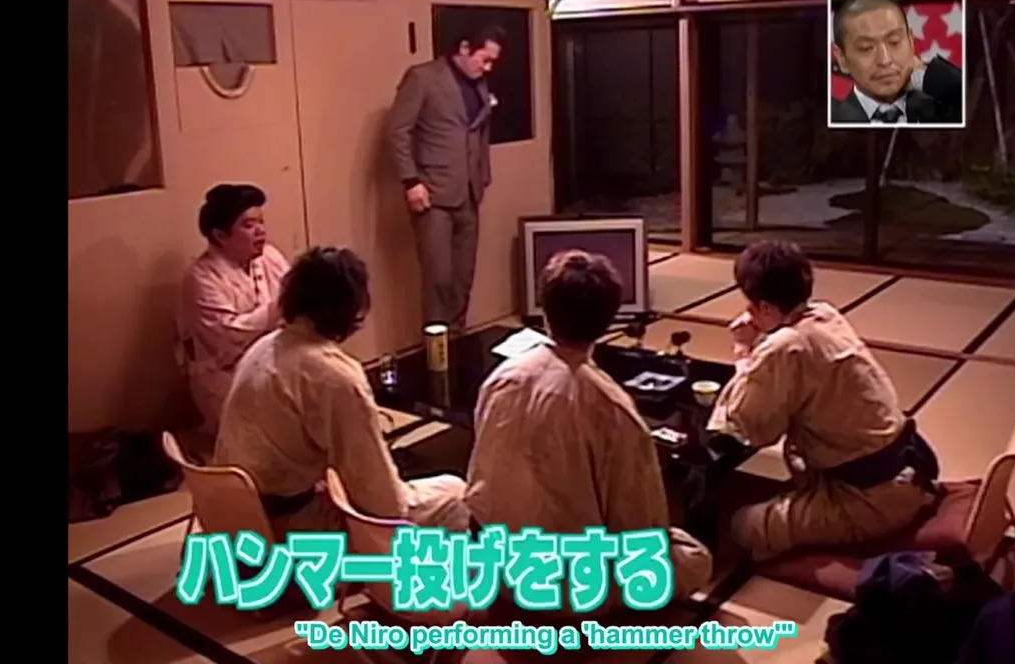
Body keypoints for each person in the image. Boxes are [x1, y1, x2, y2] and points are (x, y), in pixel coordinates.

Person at [465, 250, 713, 613]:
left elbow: (481, 473)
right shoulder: (611, 407)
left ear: (545, 309)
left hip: (492, 562)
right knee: (694, 558)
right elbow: (639, 530)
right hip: (569, 587)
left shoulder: (503, 376)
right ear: (608, 320)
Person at [213, 246, 469, 537]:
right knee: (456, 493)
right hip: (292, 526)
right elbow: (383, 502)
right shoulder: (335, 375)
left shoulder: (262, 347)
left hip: (235, 515)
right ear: (351, 307)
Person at [709, 240, 938, 562]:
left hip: (871, 499)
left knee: (740, 525)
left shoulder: (785, 347)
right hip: (907, 468)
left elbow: (749, 427)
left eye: (752, 306)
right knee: (794, 457)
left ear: (767, 308)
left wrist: (745, 349)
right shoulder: (825, 314)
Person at [386, 25, 505, 331]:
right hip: (433, 193)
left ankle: (458, 339)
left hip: (469, 193)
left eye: (492, 62)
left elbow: (478, 132)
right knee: (438, 279)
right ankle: (437, 351)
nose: (488, 68)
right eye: (485, 59)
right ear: (464, 48)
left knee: (463, 280)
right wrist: (411, 181)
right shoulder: (423, 78)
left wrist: (483, 175)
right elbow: (398, 131)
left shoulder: (479, 84)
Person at [178, 184, 290, 434]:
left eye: (261, 222)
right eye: (248, 225)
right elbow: (229, 334)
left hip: (276, 362)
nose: (261, 231)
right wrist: (281, 308)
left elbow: (297, 302)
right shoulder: (201, 277)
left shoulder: (269, 256)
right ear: (220, 235)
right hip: (226, 377)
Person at [829, 0, 963, 125]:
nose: (885, 60)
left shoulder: (943, 112)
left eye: (894, 42)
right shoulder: (830, 123)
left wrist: (926, 75)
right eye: (866, 48)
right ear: (842, 57)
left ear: (911, 42)